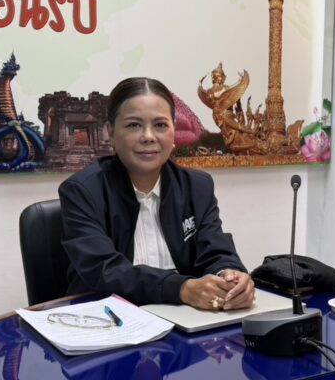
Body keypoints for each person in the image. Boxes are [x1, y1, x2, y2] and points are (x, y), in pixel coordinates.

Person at [59, 77, 255, 310]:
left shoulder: (197, 186)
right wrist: (181, 288)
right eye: (134, 125)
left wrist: (230, 277)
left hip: (186, 318)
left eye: (160, 125)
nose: (149, 136)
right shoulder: (82, 191)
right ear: (110, 132)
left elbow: (215, 250)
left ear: (173, 131)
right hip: (107, 317)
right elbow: (104, 271)